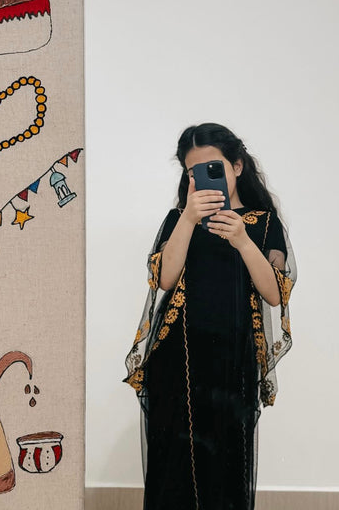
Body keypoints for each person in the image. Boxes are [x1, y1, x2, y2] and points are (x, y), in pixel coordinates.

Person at [124, 123, 297, 510]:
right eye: (193, 172)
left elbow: (274, 294)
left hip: (233, 360)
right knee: (174, 464)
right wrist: (188, 218)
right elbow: (165, 279)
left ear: (236, 166)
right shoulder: (178, 220)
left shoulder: (264, 224)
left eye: (213, 168)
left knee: (226, 462)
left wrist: (242, 240)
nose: (202, 177)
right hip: (177, 357)